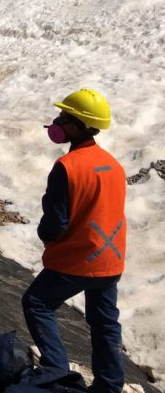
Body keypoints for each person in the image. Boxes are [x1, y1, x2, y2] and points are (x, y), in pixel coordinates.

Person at [22, 88, 126, 393]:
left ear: (78, 125)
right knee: (105, 324)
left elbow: (56, 224)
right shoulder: (112, 164)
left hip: (78, 260)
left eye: (65, 117)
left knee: (37, 303)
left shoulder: (67, 167)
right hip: (110, 260)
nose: (57, 121)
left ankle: (58, 377)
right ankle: (109, 386)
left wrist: (44, 234)